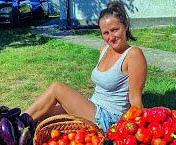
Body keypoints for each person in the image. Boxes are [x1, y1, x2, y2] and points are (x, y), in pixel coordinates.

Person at [24, 1, 147, 132]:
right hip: (93, 106)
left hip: (109, 119)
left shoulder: (133, 54)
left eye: (115, 30)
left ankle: (16, 124)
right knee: (44, 111)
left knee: (57, 88)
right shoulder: (104, 50)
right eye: (105, 33)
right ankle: (18, 126)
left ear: (125, 26)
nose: (111, 37)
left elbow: (135, 100)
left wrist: (138, 131)